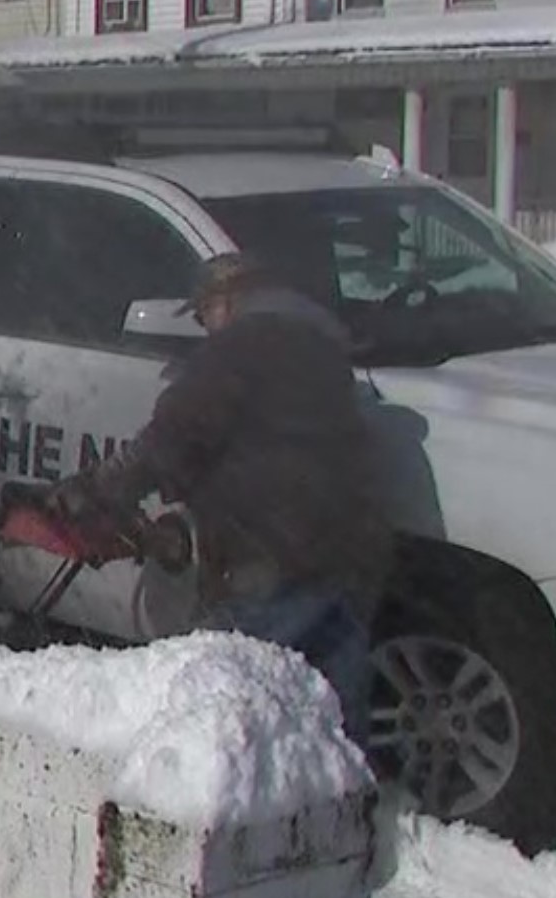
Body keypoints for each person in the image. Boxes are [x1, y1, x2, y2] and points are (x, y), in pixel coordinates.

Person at [49, 251, 392, 747]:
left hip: (271, 550)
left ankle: (243, 801)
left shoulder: (236, 350)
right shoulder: (321, 348)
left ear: (225, 301)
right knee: (333, 704)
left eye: (204, 315)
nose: (206, 328)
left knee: (238, 698)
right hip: (346, 545)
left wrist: (104, 486)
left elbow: (173, 435)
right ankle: (346, 801)